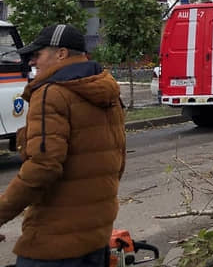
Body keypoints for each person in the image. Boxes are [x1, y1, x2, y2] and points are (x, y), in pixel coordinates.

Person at [0, 24, 126, 266]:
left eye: (38, 54)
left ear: (61, 53)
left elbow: (43, 166)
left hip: (53, 245)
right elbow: (118, 160)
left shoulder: (51, 93)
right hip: (96, 237)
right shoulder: (107, 91)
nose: (32, 62)